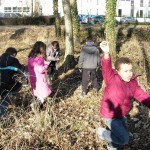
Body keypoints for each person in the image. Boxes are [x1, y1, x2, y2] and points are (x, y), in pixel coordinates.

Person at [96, 41, 150, 150]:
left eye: (130, 70)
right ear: (117, 71)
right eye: (125, 71)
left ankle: (111, 146)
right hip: (110, 115)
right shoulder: (111, 78)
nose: (129, 73)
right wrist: (106, 53)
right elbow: (106, 67)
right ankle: (101, 132)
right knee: (124, 139)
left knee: (119, 137)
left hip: (122, 114)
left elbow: (142, 96)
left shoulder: (133, 83)